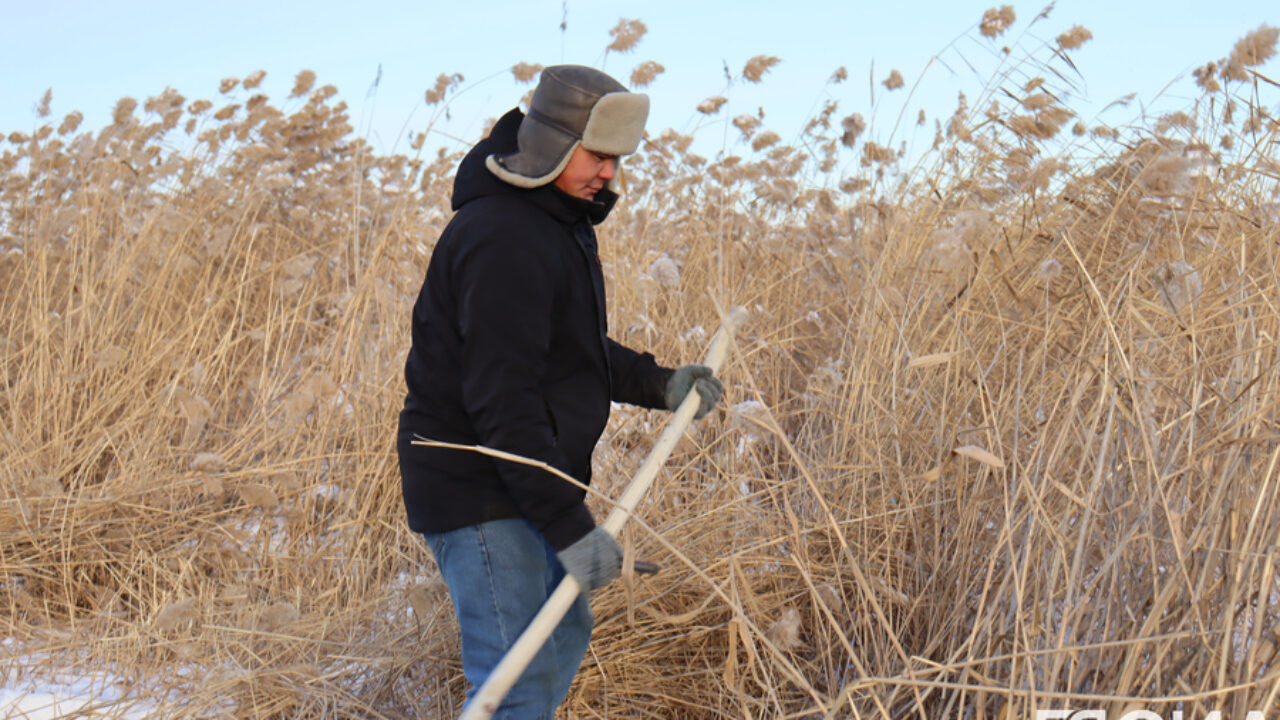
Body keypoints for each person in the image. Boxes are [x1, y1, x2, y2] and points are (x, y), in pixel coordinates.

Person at [396, 65, 724, 719]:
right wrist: (569, 526)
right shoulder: (503, 237)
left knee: (559, 638)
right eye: (599, 156)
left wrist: (658, 383)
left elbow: (568, 348)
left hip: (525, 481)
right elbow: (503, 396)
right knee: (514, 683)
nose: (610, 173)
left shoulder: (554, 225)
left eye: (616, 160)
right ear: (552, 143)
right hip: (481, 484)